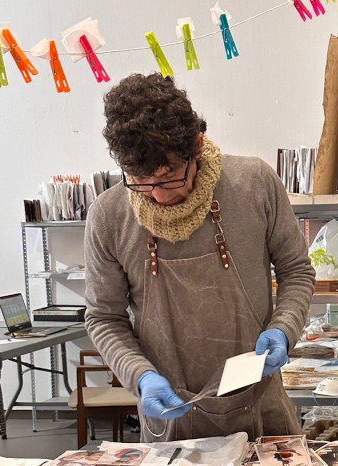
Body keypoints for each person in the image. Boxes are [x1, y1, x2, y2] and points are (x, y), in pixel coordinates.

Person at [85, 73, 314, 442]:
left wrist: (283, 328)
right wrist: (139, 374)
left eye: (169, 176)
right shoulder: (108, 216)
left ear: (196, 145)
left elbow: (297, 272)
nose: (159, 196)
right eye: (141, 182)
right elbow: (103, 317)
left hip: (260, 410)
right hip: (172, 424)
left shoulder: (253, 183)